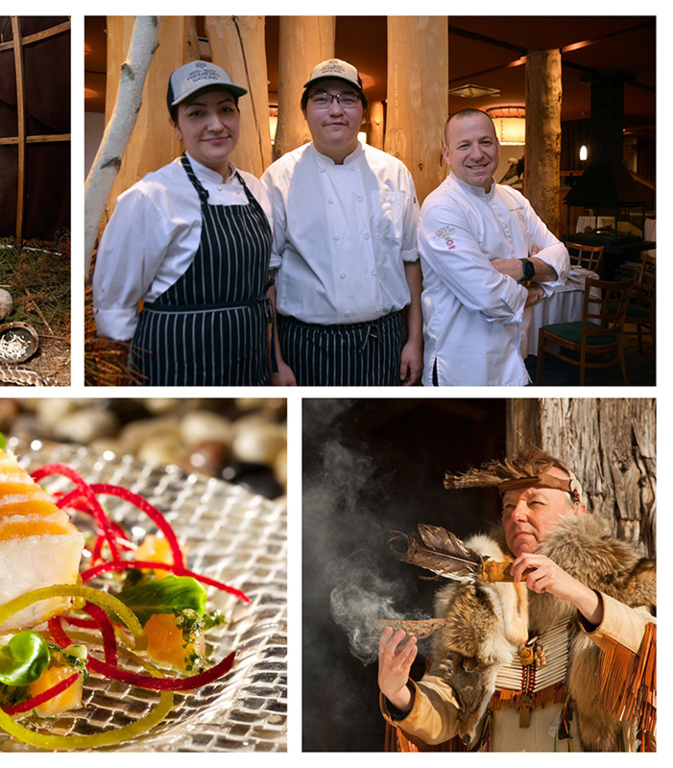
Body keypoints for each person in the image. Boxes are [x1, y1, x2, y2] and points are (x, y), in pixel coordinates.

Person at [377, 449, 656, 752]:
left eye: (535, 503)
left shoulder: (619, 579)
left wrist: (578, 593)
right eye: (508, 505)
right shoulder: (477, 596)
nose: (516, 515)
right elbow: (451, 705)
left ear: (578, 510)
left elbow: (652, 659)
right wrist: (400, 694)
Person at [92, 61, 274, 386]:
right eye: (197, 113)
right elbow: (114, 305)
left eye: (226, 110)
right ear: (175, 125)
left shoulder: (255, 188)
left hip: (249, 361)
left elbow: (266, 281)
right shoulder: (150, 196)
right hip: (174, 367)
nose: (216, 125)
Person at [261, 59, 422, 386]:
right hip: (306, 344)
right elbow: (267, 276)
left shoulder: (394, 173)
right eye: (322, 99)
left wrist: (415, 340)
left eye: (347, 99)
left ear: (362, 111)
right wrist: (275, 360)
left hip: (385, 340)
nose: (336, 110)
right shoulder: (278, 178)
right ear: (304, 111)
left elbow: (411, 261)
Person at [419, 108, 569, 385]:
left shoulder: (514, 199)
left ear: (498, 147)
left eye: (485, 142)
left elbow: (561, 256)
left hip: (515, 363)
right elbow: (488, 296)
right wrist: (537, 288)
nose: (477, 154)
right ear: (447, 154)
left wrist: (521, 268)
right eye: (464, 145)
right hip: (463, 370)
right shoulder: (441, 207)